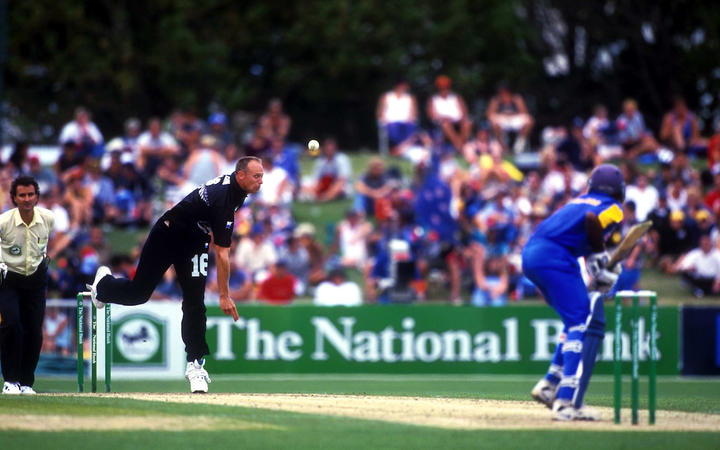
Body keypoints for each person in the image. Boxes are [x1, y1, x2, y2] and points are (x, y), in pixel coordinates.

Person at [86, 156, 264, 393]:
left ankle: (195, 365)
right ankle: (104, 285)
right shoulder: (224, 199)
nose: (261, 181)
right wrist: (224, 295)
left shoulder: (236, 191)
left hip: (195, 241)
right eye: (256, 176)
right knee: (139, 294)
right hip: (167, 234)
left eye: (262, 176)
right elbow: (222, 254)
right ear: (240, 175)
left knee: (194, 302)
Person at [522, 164, 625, 421]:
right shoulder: (614, 208)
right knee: (581, 319)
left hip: (533, 254)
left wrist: (594, 259)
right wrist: (601, 254)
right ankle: (566, 401)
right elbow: (593, 221)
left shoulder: (577, 201)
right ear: (619, 190)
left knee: (573, 320)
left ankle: (549, 385)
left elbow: (579, 231)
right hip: (555, 257)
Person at [0, 176, 55, 394]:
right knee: (11, 325)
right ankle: (10, 381)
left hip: (36, 279)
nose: (26, 199)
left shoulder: (48, 218)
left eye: (30, 194)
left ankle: (25, 383)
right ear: (14, 198)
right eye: (22, 195)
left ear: (37, 196)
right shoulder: (4, 222)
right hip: (9, 279)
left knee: (34, 331)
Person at [427, 75, 472, 151]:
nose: (444, 90)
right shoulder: (434, 99)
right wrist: (442, 118)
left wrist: (460, 119)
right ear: (438, 88)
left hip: (457, 120)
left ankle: (460, 146)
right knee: (446, 124)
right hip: (443, 121)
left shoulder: (456, 97)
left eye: (446, 87)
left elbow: (464, 111)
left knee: (468, 123)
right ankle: (460, 148)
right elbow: (432, 115)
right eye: (442, 88)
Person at [486, 83, 534, 154]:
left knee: (529, 121)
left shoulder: (517, 98)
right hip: (502, 119)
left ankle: (519, 144)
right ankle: (503, 145)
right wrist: (502, 113)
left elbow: (524, 112)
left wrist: (512, 113)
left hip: (514, 119)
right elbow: (489, 114)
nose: (503, 94)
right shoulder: (496, 100)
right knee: (493, 122)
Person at [376, 79, 419, 154]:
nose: (403, 88)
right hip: (391, 122)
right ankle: (401, 151)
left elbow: (414, 113)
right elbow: (380, 112)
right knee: (394, 130)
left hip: (406, 122)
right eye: (402, 86)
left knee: (411, 128)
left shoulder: (410, 98)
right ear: (396, 86)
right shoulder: (386, 96)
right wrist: (384, 119)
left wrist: (411, 118)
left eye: (405, 86)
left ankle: (400, 150)